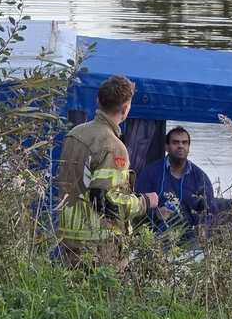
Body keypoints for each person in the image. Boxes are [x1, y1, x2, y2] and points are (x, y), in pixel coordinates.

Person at [57, 75, 158, 268]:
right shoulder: (112, 146)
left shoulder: (75, 133)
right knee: (105, 298)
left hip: (71, 241)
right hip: (101, 247)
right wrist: (145, 201)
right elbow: (104, 201)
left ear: (98, 102)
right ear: (126, 109)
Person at [134, 126, 220, 244]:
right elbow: (135, 205)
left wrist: (204, 228)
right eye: (175, 142)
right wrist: (156, 214)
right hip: (154, 242)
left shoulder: (200, 177)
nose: (181, 146)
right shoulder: (150, 173)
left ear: (189, 148)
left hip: (189, 242)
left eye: (185, 143)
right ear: (167, 147)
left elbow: (211, 211)